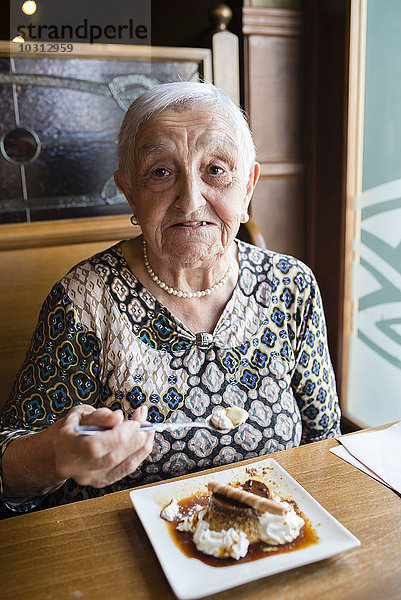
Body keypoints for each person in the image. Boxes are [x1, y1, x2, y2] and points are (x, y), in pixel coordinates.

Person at [0, 82, 341, 514]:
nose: (191, 200)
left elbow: (325, 441)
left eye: (215, 169)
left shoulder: (292, 286)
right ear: (130, 192)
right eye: (160, 172)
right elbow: (6, 465)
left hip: (269, 543)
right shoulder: (84, 299)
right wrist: (55, 455)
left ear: (249, 185)